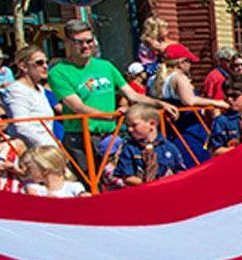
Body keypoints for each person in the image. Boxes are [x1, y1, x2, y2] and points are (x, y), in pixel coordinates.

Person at [50, 20, 176, 179]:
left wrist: (160, 103)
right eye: (79, 42)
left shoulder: (106, 66)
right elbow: (77, 106)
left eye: (89, 41)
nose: (86, 46)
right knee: (91, 184)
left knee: (118, 180)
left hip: (110, 135)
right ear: (67, 42)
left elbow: (132, 95)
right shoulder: (58, 72)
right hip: (81, 137)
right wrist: (111, 115)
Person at [0, 45, 60, 150]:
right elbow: (22, 127)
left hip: (49, 146)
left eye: (46, 62)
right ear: (23, 66)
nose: (45, 66)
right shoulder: (16, 90)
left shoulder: (40, 89)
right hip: (31, 151)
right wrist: (48, 146)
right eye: (39, 63)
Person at [111, 104, 188, 186]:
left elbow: (181, 172)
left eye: (134, 125)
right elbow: (127, 176)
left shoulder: (169, 148)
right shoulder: (129, 148)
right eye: (127, 125)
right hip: (140, 192)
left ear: (152, 124)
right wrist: (151, 184)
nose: (129, 129)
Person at [152, 43, 230, 113]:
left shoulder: (154, 78)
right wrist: (217, 103)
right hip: (186, 124)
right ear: (181, 63)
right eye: (189, 61)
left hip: (168, 124)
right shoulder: (179, 78)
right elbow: (189, 101)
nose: (190, 65)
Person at [18, 145, 87, 198]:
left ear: (45, 171)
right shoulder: (33, 188)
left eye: (30, 169)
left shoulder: (74, 187)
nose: (27, 171)